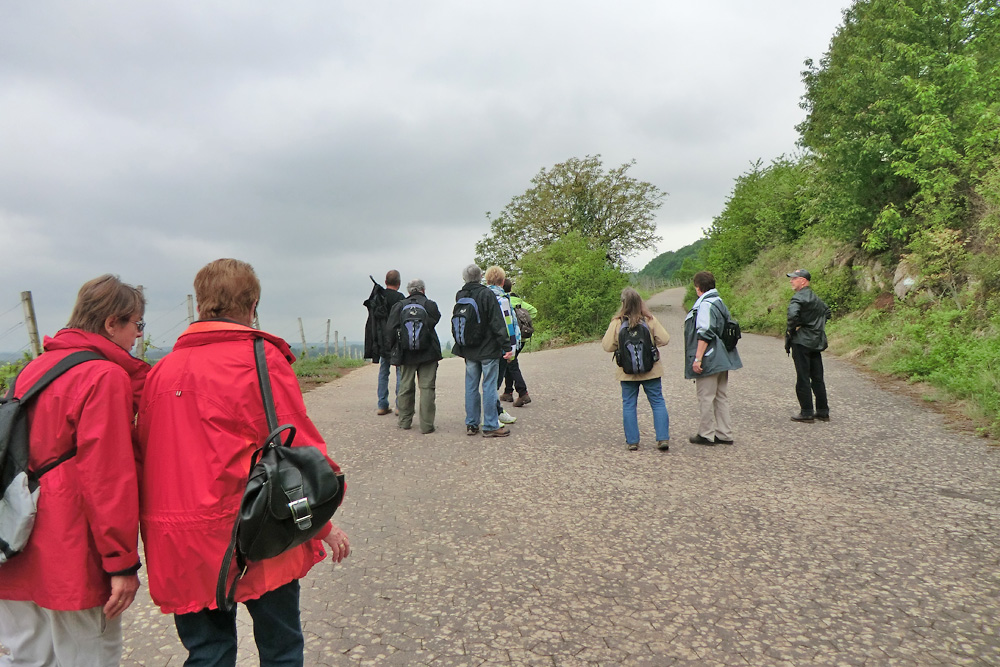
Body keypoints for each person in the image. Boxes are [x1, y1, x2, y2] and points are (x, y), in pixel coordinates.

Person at [135, 259, 350, 666]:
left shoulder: (160, 373)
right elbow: (300, 451)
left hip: (182, 545)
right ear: (253, 305)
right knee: (281, 648)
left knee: (208, 652)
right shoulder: (259, 360)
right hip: (255, 532)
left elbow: (147, 459)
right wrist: (322, 523)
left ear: (200, 306)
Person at [0, 275, 149, 667]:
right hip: (71, 552)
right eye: (136, 323)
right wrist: (121, 563)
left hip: (15, 541)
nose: (137, 335)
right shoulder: (105, 376)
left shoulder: (35, 369)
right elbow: (108, 480)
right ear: (111, 323)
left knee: (25, 658)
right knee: (88, 657)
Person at [601, 287, 671, 451]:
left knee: (629, 404)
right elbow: (665, 339)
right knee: (657, 402)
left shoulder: (617, 323)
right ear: (640, 302)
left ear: (623, 303)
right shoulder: (649, 320)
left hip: (627, 372)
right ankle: (662, 439)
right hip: (651, 370)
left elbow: (607, 346)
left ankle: (633, 441)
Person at [452, 264, 514, 437]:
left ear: (465, 278)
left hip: (469, 349)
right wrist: (506, 346)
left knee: (471, 386)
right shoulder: (486, 294)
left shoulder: (461, 295)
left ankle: (471, 424)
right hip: (488, 350)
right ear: (480, 276)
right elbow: (497, 322)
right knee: (488, 387)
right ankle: (490, 425)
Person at [684, 271, 743, 445]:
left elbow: (705, 332)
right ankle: (725, 433)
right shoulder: (719, 302)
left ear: (698, 288)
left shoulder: (705, 305)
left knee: (706, 396)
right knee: (721, 395)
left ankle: (706, 433)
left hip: (710, 357)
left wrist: (698, 359)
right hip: (723, 356)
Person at [384, 278, 442, 434]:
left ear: (409, 291)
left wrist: (392, 351)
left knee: (405, 387)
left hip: (406, 353)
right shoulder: (430, 305)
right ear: (423, 290)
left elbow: (390, 329)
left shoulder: (400, 306)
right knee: (427, 388)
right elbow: (435, 320)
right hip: (429, 353)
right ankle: (427, 425)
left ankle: (404, 421)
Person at [786, 268, 832, 422]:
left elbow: (792, 316)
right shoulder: (816, 299)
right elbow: (828, 313)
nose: (791, 281)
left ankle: (806, 412)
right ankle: (823, 411)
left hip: (801, 342)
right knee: (817, 377)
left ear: (803, 281)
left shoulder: (798, 298)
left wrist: (795, 329)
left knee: (803, 377)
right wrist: (816, 327)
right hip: (815, 342)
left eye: (794, 278)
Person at [485, 267, 520, 426]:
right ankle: (493, 417)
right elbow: (508, 326)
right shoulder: (502, 299)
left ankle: (498, 412)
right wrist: (511, 348)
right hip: (500, 347)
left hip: (484, 346)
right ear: (503, 282)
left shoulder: (482, 296)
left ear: (486, 281)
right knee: (494, 384)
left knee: (491, 383)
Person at [500, 277, 536, 408]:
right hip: (523, 338)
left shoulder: (504, 301)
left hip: (511, 338)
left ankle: (523, 393)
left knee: (512, 364)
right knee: (510, 363)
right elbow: (534, 311)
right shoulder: (519, 301)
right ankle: (508, 392)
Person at [376, 270, 405, 415]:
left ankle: (382, 404)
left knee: (383, 371)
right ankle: (399, 406)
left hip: (382, 339)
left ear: (385, 282)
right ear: (399, 283)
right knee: (400, 371)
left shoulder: (379, 296)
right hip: (396, 339)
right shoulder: (400, 298)